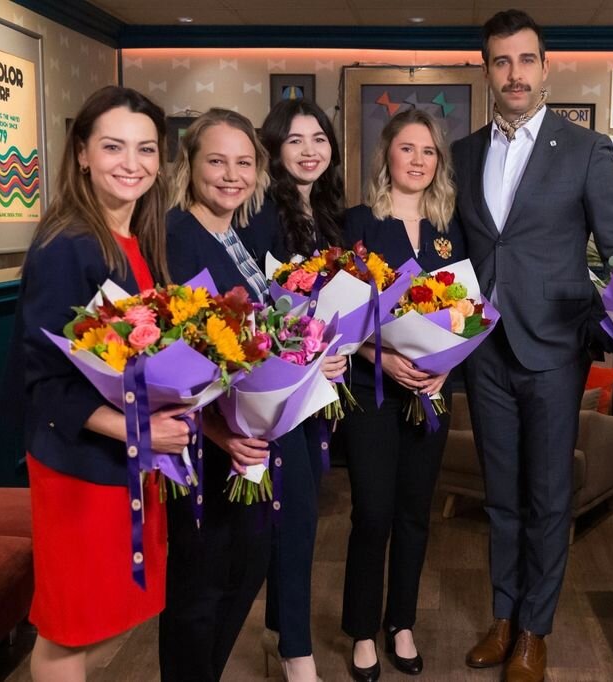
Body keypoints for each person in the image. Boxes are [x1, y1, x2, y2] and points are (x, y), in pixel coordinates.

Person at [451, 10, 613, 682]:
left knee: (549, 496)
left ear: (545, 67)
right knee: (499, 495)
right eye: (501, 61)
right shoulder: (463, 153)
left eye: (525, 60)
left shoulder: (585, 149)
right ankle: (503, 618)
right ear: (487, 70)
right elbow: (457, 254)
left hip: (557, 348)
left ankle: (535, 630)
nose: (515, 74)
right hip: (485, 352)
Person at [9, 85, 186, 681]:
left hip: (123, 458)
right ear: (82, 153)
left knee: (103, 617)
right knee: (70, 629)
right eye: (113, 147)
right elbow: (44, 382)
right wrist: (141, 431)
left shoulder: (137, 240)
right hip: (79, 465)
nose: (131, 163)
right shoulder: (66, 244)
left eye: (146, 149)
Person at [159, 108, 296, 682]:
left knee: (245, 567)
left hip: (246, 435)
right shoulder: (175, 237)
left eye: (243, 163)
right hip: (202, 444)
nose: (231, 175)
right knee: (200, 586)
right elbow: (171, 363)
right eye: (216, 161)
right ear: (190, 166)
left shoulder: (236, 234)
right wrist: (220, 433)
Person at [340, 109, 466, 681]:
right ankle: (363, 630)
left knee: (415, 511)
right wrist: (378, 356)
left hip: (433, 389)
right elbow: (336, 316)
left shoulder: (451, 227)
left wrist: (447, 365)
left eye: (429, 151)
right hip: (372, 388)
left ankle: (402, 622)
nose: (417, 160)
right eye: (407, 148)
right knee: (372, 511)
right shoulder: (357, 223)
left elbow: (469, 309)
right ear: (386, 154)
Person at [239, 98, 348, 682]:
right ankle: (296, 653)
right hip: (275, 390)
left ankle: (279, 631)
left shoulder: (328, 213)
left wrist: (337, 347)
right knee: (297, 514)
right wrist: (306, 355)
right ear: (274, 149)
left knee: (300, 513)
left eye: (319, 138)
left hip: (315, 389)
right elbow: (256, 307)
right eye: (295, 140)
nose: (310, 150)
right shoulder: (260, 213)